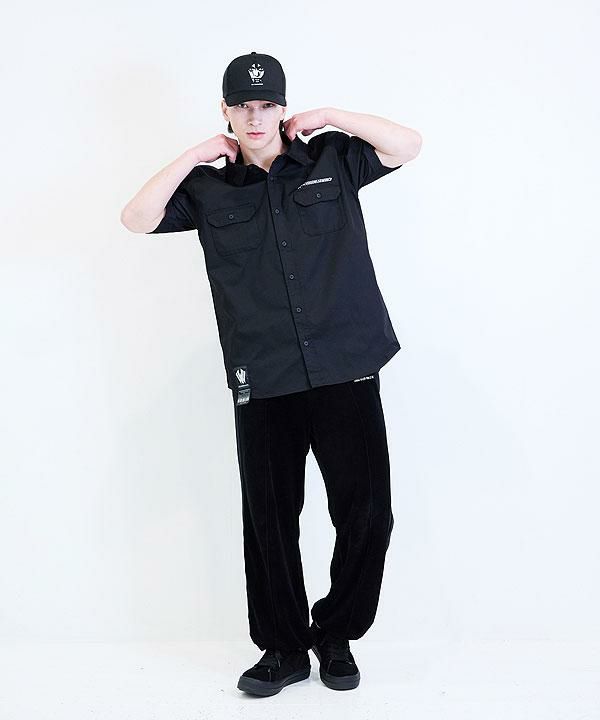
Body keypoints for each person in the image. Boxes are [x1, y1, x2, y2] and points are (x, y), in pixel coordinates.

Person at [121, 51, 422, 697]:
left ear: (283, 107)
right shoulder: (209, 189)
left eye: (266, 105)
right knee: (270, 524)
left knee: (369, 516)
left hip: (345, 366)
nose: (255, 117)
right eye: (242, 106)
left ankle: (335, 634)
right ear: (225, 111)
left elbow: (408, 145)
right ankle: (283, 649)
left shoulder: (333, 158)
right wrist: (192, 157)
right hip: (264, 375)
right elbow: (135, 218)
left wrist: (332, 114)